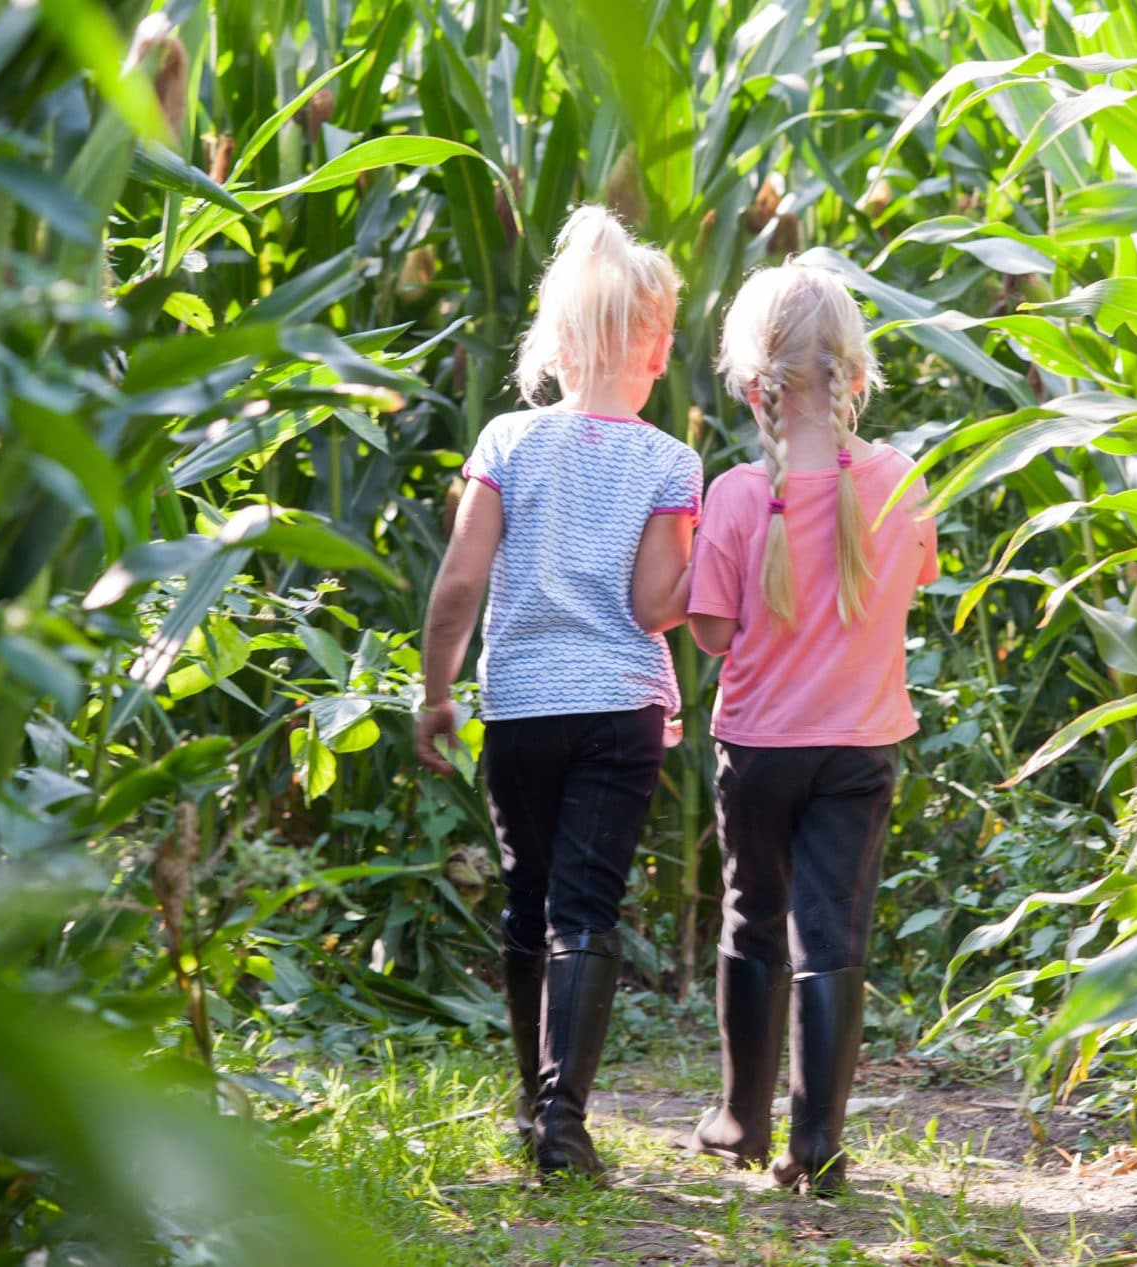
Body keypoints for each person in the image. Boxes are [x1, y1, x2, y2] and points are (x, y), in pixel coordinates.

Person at [414, 205, 701, 1180]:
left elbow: (459, 581)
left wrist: (435, 694)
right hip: (619, 706)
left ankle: (530, 1108)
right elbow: (653, 603)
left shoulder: (505, 440)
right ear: (653, 347)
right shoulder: (670, 462)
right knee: (586, 907)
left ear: (559, 341)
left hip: (524, 707)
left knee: (528, 900)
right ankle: (562, 1121)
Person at [684, 264, 939, 1195]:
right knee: (832, 931)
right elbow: (911, 584)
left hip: (758, 748)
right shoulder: (902, 479)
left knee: (753, 918)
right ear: (854, 378)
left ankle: (740, 1122)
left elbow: (710, 632)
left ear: (756, 386)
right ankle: (818, 1140)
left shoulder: (739, 495)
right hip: (861, 743)